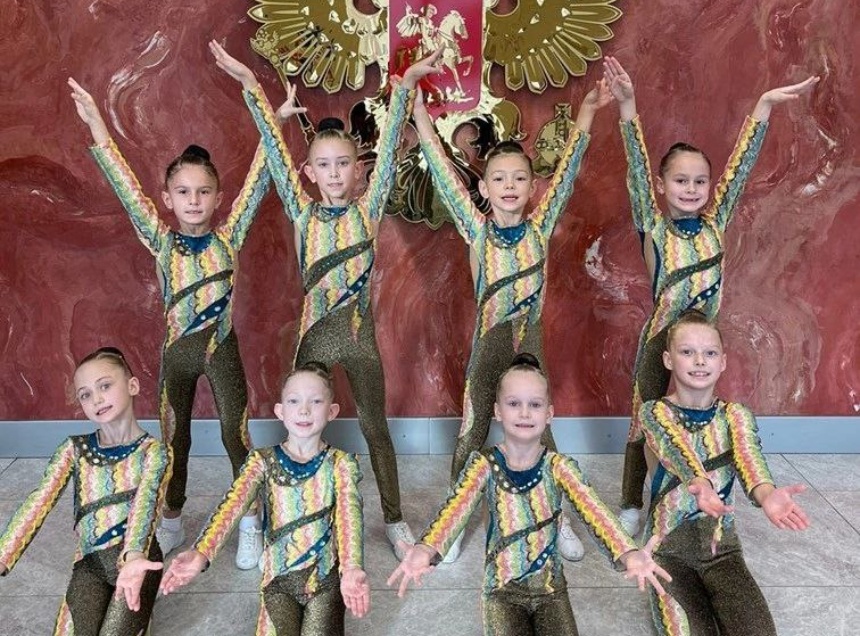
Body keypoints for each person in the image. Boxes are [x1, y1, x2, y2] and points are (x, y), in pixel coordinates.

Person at [207, 41, 442, 559]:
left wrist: (406, 87)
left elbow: (390, 149)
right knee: (298, 430)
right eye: (324, 165)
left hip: (360, 341)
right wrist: (251, 85)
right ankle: (286, 514)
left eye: (343, 164)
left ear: (359, 170)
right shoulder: (302, 213)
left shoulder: (368, 211)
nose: (335, 174)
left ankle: (395, 520)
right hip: (312, 340)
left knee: (376, 428)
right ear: (309, 172)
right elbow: (274, 149)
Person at [67, 76, 288, 568]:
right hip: (177, 358)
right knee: (175, 441)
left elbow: (261, 176)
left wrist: (274, 122)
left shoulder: (229, 236)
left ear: (218, 197)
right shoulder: (162, 241)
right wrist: (98, 123)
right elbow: (126, 188)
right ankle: (171, 519)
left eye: (203, 192)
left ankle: (250, 520)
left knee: (235, 435)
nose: (193, 200)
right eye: (183, 192)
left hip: (221, 350)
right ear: (167, 198)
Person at [603, 56, 819, 535]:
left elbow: (740, 168)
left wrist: (763, 107)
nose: (692, 188)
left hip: (704, 342)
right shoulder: (653, 226)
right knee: (643, 422)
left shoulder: (716, 221)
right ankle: (632, 502)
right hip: (660, 342)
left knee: (703, 418)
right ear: (662, 187)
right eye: (681, 181)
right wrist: (628, 106)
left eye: (700, 181)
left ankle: (701, 490)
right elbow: (636, 166)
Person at [412, 77, 615, 561]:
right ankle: (452, 525)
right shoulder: (476, 229)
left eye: (519, 179)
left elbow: (568, 169)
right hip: (488, 347)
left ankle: (557, 517)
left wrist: (587, 111)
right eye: (499, 179)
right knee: (472, 430)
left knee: (543, 432)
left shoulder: (539, 228)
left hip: (531, 347)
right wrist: (419, 114)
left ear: (531, 187)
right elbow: (441, 168)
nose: (509, 186)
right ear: (484, 187)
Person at [388, 353, 670, 635]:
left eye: (535, 405)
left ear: (549, 414)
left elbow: (595, 511)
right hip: (501, 592)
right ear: (498, 411)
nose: (524, 413)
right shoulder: (483, 465)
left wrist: (628, 552)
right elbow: (455, 509)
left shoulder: (559, 467)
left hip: (551, 591)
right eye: (514, 404)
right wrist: (426, 548)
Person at [159, 362, 369, 636]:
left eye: (316, 401)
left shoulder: (341, 463)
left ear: (332, 411)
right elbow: (232, 505)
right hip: (278, 580)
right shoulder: (261, 460)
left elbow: (349, 516)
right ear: (280, 411)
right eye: (294, 401)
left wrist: (351, 568)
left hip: (325, 580)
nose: (304, 410)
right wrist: (202, 552)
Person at [638, 310, 809, 635]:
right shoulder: (654, 413)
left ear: (723, 362)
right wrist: (700, 483)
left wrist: (766, 494)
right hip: (668, 551)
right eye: (687, 352)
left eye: (710, 353)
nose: (699, 360)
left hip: (721, 549)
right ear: (668, 359)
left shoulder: (735, 415)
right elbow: (675, 448)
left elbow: (749, 457)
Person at [0, 347, 170, 634]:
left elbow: (145, 505)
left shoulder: (153, 452)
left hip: (136, 560)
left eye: (105, 386)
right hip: (90, 563)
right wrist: (3, 556)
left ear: (132, 385)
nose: (97, 399)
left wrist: (133, 556)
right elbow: (38, 501)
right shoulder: (73, 449)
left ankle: (140, 615)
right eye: (85, 394)